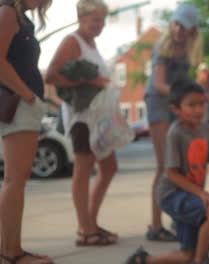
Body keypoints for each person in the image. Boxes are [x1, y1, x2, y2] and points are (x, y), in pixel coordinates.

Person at [126, 79, 209, 264]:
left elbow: (206, 157)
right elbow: (172, 173)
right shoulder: (176, 133)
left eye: (201, 104)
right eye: (191, 105)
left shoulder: (206, 129)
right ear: (176, 109)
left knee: (186, 254)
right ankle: (201, 260)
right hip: (172, 194)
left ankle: (142, 260)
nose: (198, 109)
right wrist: (203, 194)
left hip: (190, 194)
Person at [45, 0, 118, 246]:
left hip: (98, 118)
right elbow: (52, 75)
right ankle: (85, 230)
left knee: (109, 166)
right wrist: (89, 83)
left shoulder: (91, 43)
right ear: (81, 17)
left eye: (103, 20)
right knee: (83, 168)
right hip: (81, 118)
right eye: (96, 19)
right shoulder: (72, 41)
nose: (101, 25)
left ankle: (91, 222)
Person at [0, 0, 54, 263]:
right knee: (15, 179)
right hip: (19, 104)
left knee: (16, 179)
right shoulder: (8, 12)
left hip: (24, 104)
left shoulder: (22, 18)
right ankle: (11, 252)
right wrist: (28, 96)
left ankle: (11, 248)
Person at [144, 3, 202, 241]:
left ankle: (180, 217)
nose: (178, 29)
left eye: (184, 26)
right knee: (165, 165)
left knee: (182, 165)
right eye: (176, 23)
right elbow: (159, 84)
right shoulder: (163, 46)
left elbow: (189, 81)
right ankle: (155, 226)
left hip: (179, 103)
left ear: (192, 30)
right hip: (159, 103)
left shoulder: (191, 49)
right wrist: (186, 97)